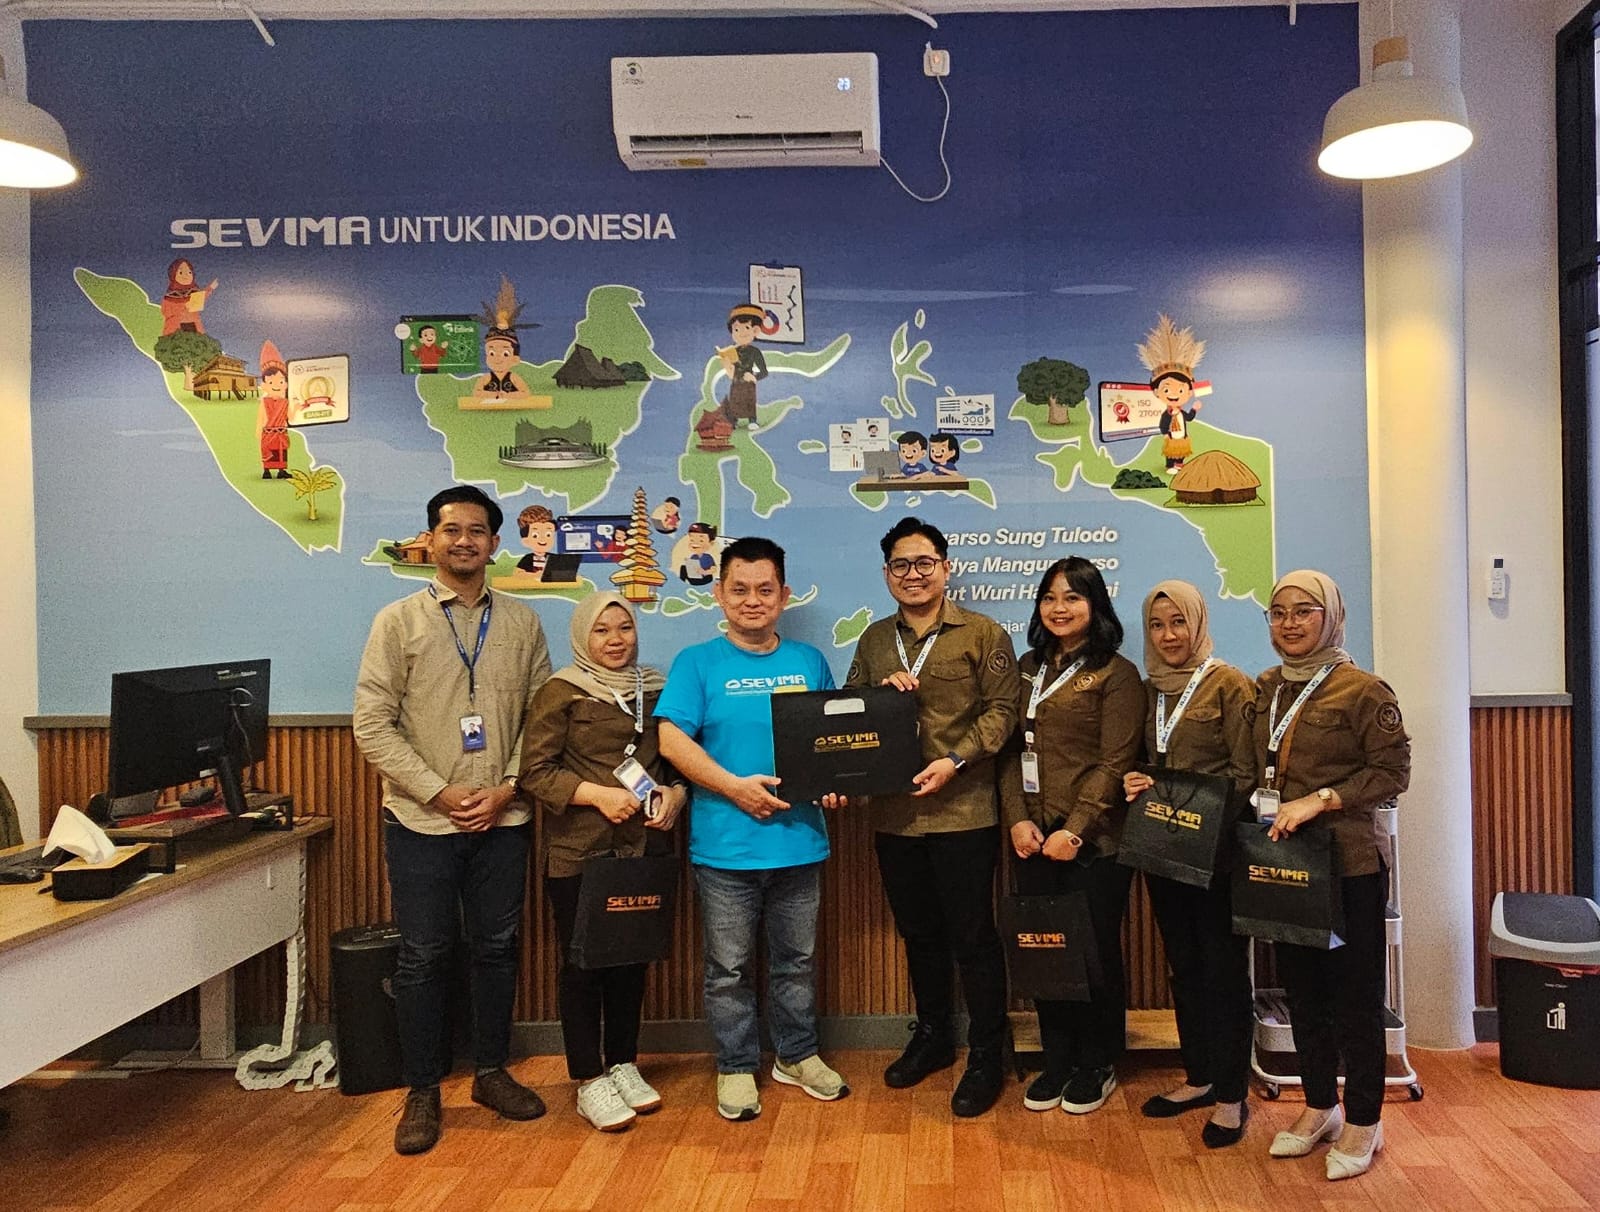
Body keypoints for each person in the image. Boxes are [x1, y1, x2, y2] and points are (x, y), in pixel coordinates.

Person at [353, 484, 554, 1156]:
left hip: (504, 819)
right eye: (451, 530)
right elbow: (372, 725)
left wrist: (506, 788)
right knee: (424, 955)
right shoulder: (397, 622)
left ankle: (491, 1072)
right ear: (432, 540)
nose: (464, 541)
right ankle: (422, 1089)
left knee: (497, 948)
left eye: (476, 531)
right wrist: (437, 792)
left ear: (495, 544)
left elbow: (541, 720)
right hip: (421, 824)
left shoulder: (522, 623)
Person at [655, 536, 848, 1121]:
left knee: (796, 963)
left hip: (799, 842)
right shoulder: (696, 663)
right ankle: (737, 1066)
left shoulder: (810, 662)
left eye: (765, 589)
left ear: (784, 595)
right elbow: (671, 741)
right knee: (728, 971)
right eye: (739, 589)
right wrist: (733, 788)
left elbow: (831, 742)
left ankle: (797, 1055)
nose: (752, 600)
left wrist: (836, 782)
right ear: (719, 594)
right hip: (725, 849)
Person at [843, 516, 1019, 1116]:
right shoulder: (874, 640)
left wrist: (955, 761)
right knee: (919, 934)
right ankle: (935, 1037)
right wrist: (878, 696)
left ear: (945, 568)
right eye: (901, 565)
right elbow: (850, 713)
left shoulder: (983, 634)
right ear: (886, 573)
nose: (913, 574)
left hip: (963, 812)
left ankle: (987, 1054)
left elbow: (1002, 714)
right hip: (895, 818)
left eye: (924, 563)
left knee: (973, 937)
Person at [1252, 570, 1410, 1181]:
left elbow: (1392, 772)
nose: (1289, 623)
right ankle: (1321, 1106)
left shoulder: (1363, 690)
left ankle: (1366, 1118)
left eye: (1304, 611)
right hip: (1287, 865)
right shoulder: (1266, 687)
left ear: (1332, 616)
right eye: (1278, 612)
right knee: (1303, 993)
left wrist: (1321, 799)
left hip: (1349, 867)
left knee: (1355, 997)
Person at [518, 591, 690, 1133]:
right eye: (602, 630)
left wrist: (676, 795)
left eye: (624, 628)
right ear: (582, 637)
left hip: (644, 850)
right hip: (581, 853)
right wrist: (596, 796)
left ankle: (623, 1063)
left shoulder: (657, 689)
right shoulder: (561, 691)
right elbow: (535, 771)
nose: (616, 640)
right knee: (583, 966)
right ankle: (588, 1078)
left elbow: (676, 762)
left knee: (630, 961)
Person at [1000, 556, 1143, 1115]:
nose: (1059, 608)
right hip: (1032, 838)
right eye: (1049, 597)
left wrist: (1076, 831)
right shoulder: (1027, 667)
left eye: (1073, 597)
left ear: (1096, 605)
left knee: (1092, 952)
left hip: (1094, 843)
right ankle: (1057, 1059)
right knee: (1045, 951)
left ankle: (1097, 1062)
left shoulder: (1116, 674)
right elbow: (1009, 750)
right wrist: (1018, 818)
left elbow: (1114, 762)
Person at [1120, 581, 1257, 1148]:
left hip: (1216, 854)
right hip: (1163, 849)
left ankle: (1232, 1095)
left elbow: (1247, 773)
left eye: (1179, 622)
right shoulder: (1149, 689)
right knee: (1185, 966)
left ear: (1198, 623)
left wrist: (1198, 811)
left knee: (1223, 971)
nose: (1169, 635)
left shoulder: (1229, 684)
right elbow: (1143, 762)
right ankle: (1200, 1077)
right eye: (1157, 625)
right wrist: (1134, 780)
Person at [717, 303, 768, 428]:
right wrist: (727, 365)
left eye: (746, 328)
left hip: (748, 382)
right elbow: (731, 372)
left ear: (755, 331)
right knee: (734, 401)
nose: (741, 333)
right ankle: (733, 421)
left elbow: (764, 371)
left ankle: (752, 420)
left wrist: (754, 376)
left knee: (749, 401)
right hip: (735, 381)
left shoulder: (754, 352)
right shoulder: (732, 351)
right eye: (736, 329)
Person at [256, 340, 291, 480]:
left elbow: (290, 417)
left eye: (281, 381)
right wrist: (259, 431)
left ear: (286, 384)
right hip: (268, 433)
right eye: (271, 382)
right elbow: (261, 418)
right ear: (264, 385)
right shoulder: (264, 402)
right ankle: (267, 471)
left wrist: (298, 408)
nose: (277, 385)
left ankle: (281, 470)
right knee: (268, 452)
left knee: (281, 452)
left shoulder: (285, 402)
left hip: (280, 433)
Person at [160, 257, 217, 335]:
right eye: (181, 272)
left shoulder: (194, 292)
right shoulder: (169, 296)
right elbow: (166, 312)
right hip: (175, 329)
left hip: (194, 326)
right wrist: (183, 308)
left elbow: (202, 297)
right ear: (173, 275)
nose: (186, 275)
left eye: (189, 272)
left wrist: (210, 288)